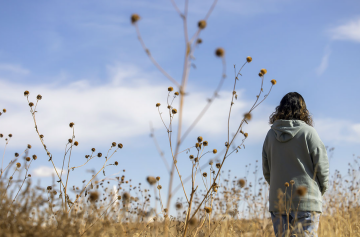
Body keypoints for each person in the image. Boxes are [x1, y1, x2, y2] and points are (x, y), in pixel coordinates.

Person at [262, 92, 329, 237]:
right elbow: (322, 167)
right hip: (307, 201)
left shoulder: (270, 136)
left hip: (278, 202)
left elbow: (267, 171)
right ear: (303, 110)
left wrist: (278, 189)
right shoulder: (309, 133)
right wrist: (319, 190)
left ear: (280, 109)